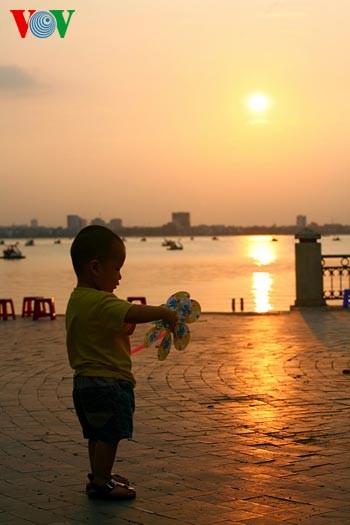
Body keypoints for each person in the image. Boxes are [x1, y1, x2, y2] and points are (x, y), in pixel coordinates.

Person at [65, 225, 177, 500]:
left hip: (84, 382)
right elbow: (133, 311)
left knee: (96, 433)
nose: (119, 276)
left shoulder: (77, 299)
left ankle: (98, 475)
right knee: (109, 434)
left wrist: (120, 327)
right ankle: (102, 482)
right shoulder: (101, 301)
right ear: (95, 267)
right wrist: (165, 312)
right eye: (116, 269)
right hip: (108, 383)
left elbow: (98, 327)